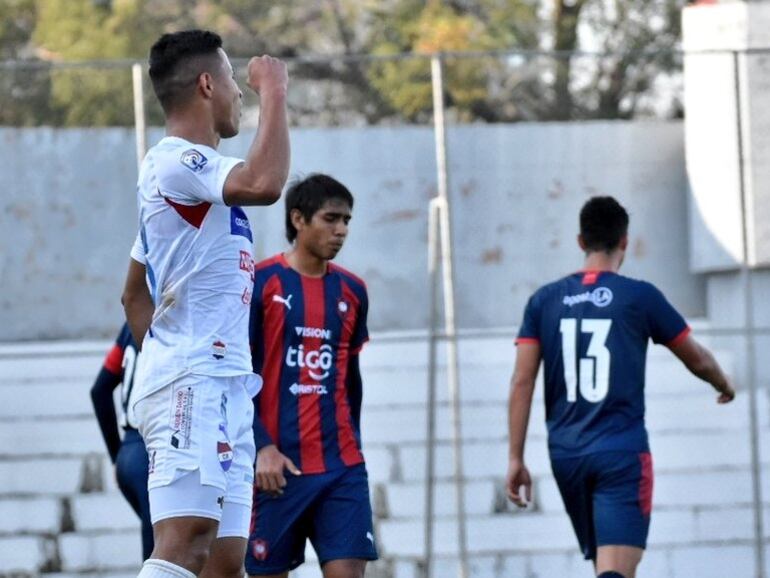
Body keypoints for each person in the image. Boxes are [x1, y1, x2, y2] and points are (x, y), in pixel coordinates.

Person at [120, 29, 290, 578]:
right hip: (192, 382)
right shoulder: (175, 161)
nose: (241, 92)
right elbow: (265, 182)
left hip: (226, 385)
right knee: (185, 543)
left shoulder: (194, 185)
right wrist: (275, 90)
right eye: (234, 80)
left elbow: (133, 291)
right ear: (206, 85)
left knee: (224, 562)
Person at [505, 196, 735, 578]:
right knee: (615, 571)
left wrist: (515, 457)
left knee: (606, 567)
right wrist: (723, 382)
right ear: (624, 241)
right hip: (620, 454)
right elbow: (697, 358)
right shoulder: (639, 296)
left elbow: (522, 380)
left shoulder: (543, 301)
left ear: (581, 241)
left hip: (567, 455)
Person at [245, 174, 378, 578]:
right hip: (276, 469)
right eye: (331, 218)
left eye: (347, 221)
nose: (341, 230)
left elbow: (351, 378)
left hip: (341, 468)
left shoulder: (352, 290)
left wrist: (353, 443)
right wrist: (261, 446)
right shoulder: (260, 284)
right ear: (298, 219)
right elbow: (236, 376)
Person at [90, 323, 153, 560]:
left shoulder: (131, 324)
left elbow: (100, 390)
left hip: (129, 453)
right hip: (150, 452)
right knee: (165, 557)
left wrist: (118, 456)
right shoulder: (170, 316)